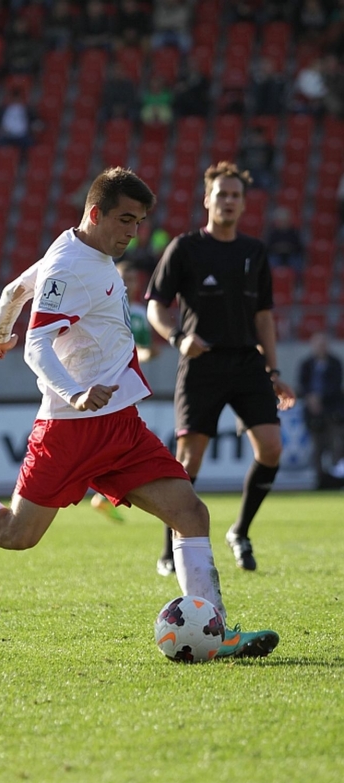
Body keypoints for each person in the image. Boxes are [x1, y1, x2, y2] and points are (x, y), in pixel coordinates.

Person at [0, 166, 279, 660]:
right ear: (95, 214)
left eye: (139, 222)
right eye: (125, 220)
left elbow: (14, 291)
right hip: (69, 430)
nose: (133, 232)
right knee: (15, 534)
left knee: (190, 513)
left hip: (121, 426)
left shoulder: (79, 251)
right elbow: (37, 346)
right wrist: (75, 392)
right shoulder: (68, 266)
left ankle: (217, 633)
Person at [145, 161, 296, 576]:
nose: (228, 201)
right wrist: (177, 338)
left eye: (235, 195)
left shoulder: (254, 252)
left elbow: (264, 316)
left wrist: (274, 371)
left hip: (248, 362)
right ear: (207, 200)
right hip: (202, 364)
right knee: (188, 461)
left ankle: (240, 531)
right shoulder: (185, 248)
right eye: (221, 194)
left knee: (271, 448)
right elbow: (156, 305)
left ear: (243, 204)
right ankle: (169, 549)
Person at [91, 258, 159, 522]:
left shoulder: (140, 313)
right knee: (108, 437)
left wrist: (147, 352)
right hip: (101, 381)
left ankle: (104, 493)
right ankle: (102, 490)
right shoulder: (103, 307)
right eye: (124, 278)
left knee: (118, 438)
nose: (128, 283)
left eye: (132, 279)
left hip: (127, 385)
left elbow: (143, 348)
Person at [297, 332, 344, 489]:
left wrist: (320, 398)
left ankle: (337, 479)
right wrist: (311, 399)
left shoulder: (335, 363)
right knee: (316, 448)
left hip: (332, 412)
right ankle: (320, 480)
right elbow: (302, 385)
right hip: (313, 414)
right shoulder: (307, 364)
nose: (321, 348)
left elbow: (336, 385)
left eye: (323, 344)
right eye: (318, 344)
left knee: (336, 446)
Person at [265, 206, 304, 274]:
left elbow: (300, 247)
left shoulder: (294, 232)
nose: (283, 223)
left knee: (297, 263)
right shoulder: (272, 233)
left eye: (284, 220)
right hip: (276, 255)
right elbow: (268, 247)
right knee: (271, 261)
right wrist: (278, 248)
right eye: (281, 221)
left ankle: (297, 279)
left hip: (291, 255)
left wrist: (289, 248)